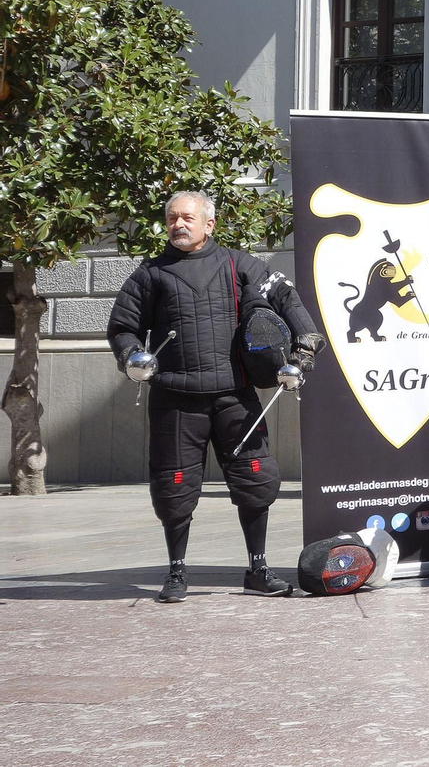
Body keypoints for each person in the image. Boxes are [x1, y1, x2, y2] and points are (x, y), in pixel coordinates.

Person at [106, 190, 323, 604]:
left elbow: (285, 296)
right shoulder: (150, 274)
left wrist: (306, 338)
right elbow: (122, 327)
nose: (178, 224)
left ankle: (258, 569)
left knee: (256, 481)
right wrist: (131, 355)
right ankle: (176, 572)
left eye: (187, 218)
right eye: (172, 218)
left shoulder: (240, 264)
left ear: (209, 224)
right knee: (173, 489)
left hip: (235, 397)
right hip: (175, 399)